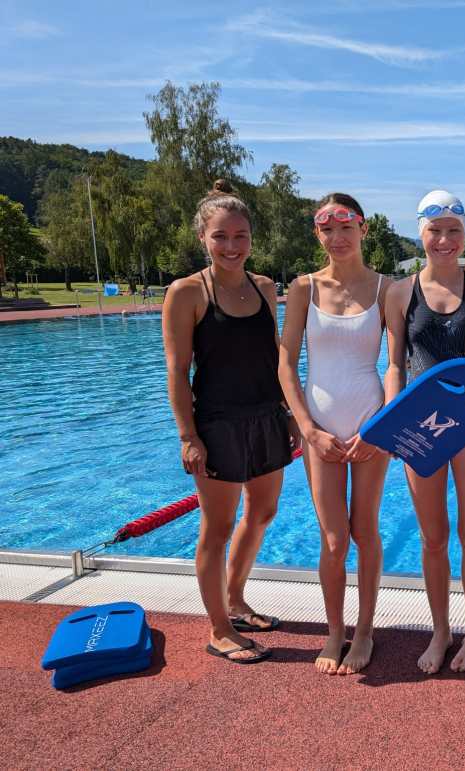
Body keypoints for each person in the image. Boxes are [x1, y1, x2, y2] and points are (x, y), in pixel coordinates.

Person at [162, 179, 299, 664]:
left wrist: (288, 412)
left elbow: (274, 357)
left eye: (240, 235)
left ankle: (236, 600)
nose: (231, 246)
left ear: (251, 239)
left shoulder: (265, 287)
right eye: (220, 236)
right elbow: (177, 371)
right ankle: (219, 629)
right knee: (216, 528)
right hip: (218, 424)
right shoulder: (186, 292)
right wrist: (188, 436)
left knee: (262, 513)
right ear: (203, 236)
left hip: (266, 417)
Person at [383, 190, 465, 674]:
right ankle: (441, 631)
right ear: (421, 232)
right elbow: (396, 364)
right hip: (419, 425)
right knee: (432, 538)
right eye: (435, 230)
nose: (444, 239)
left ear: (464, 234)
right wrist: (394, 416)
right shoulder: (400, 293)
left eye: (454, 230)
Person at [279, 193, 391, 675]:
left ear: (363, 229)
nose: (337, 238)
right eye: (327, 229)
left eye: (346, 227)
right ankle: (334, 632)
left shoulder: (387, 288)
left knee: (365, 530)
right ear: (317, 234)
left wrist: (381, 425)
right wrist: (308, 429)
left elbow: (396, 364)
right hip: (319, 428)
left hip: (371, 424)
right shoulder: (304, 288)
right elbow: (286, 364)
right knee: (332, 539)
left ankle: (364, 631)